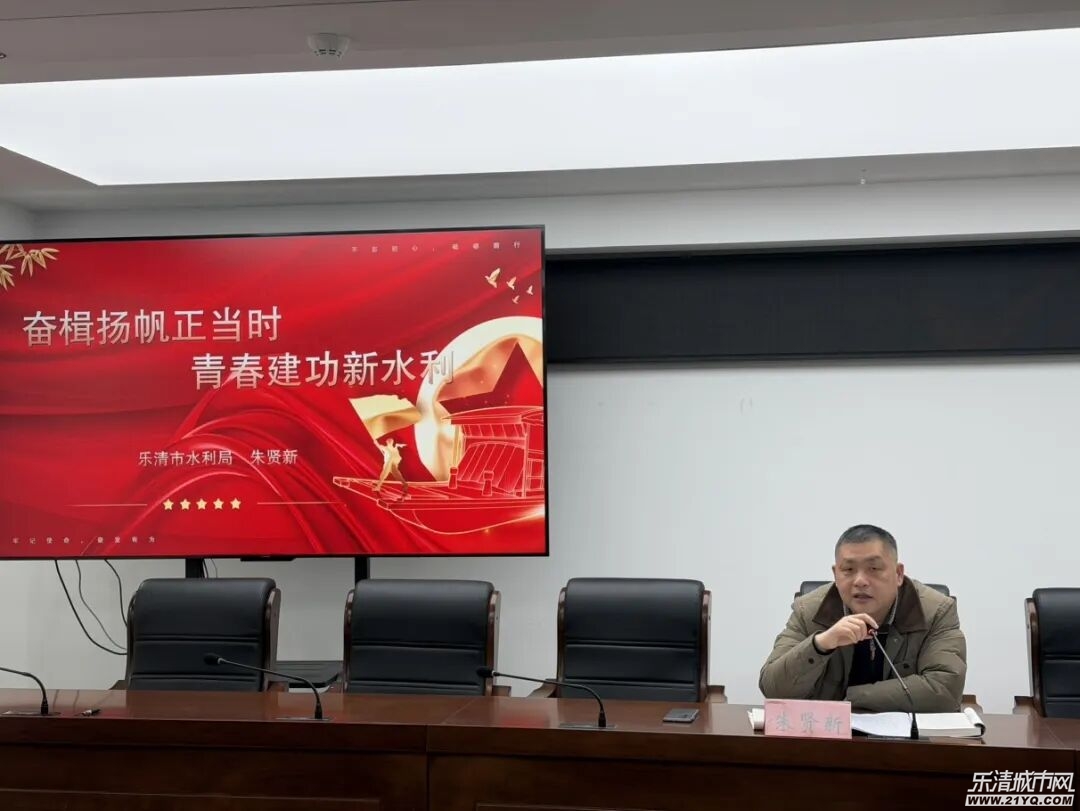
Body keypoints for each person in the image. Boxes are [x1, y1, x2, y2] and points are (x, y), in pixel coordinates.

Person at [759, 524, 966, 712]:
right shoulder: (809, 611)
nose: (860, 581)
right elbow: (773, 689)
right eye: (848, 570)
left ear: (898, 573)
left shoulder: (936, 611)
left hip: (905, 739)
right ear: (835, 574)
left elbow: (944, 691)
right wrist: (821, 644)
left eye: (874, 569)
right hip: (827, 737)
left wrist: (851, 697)